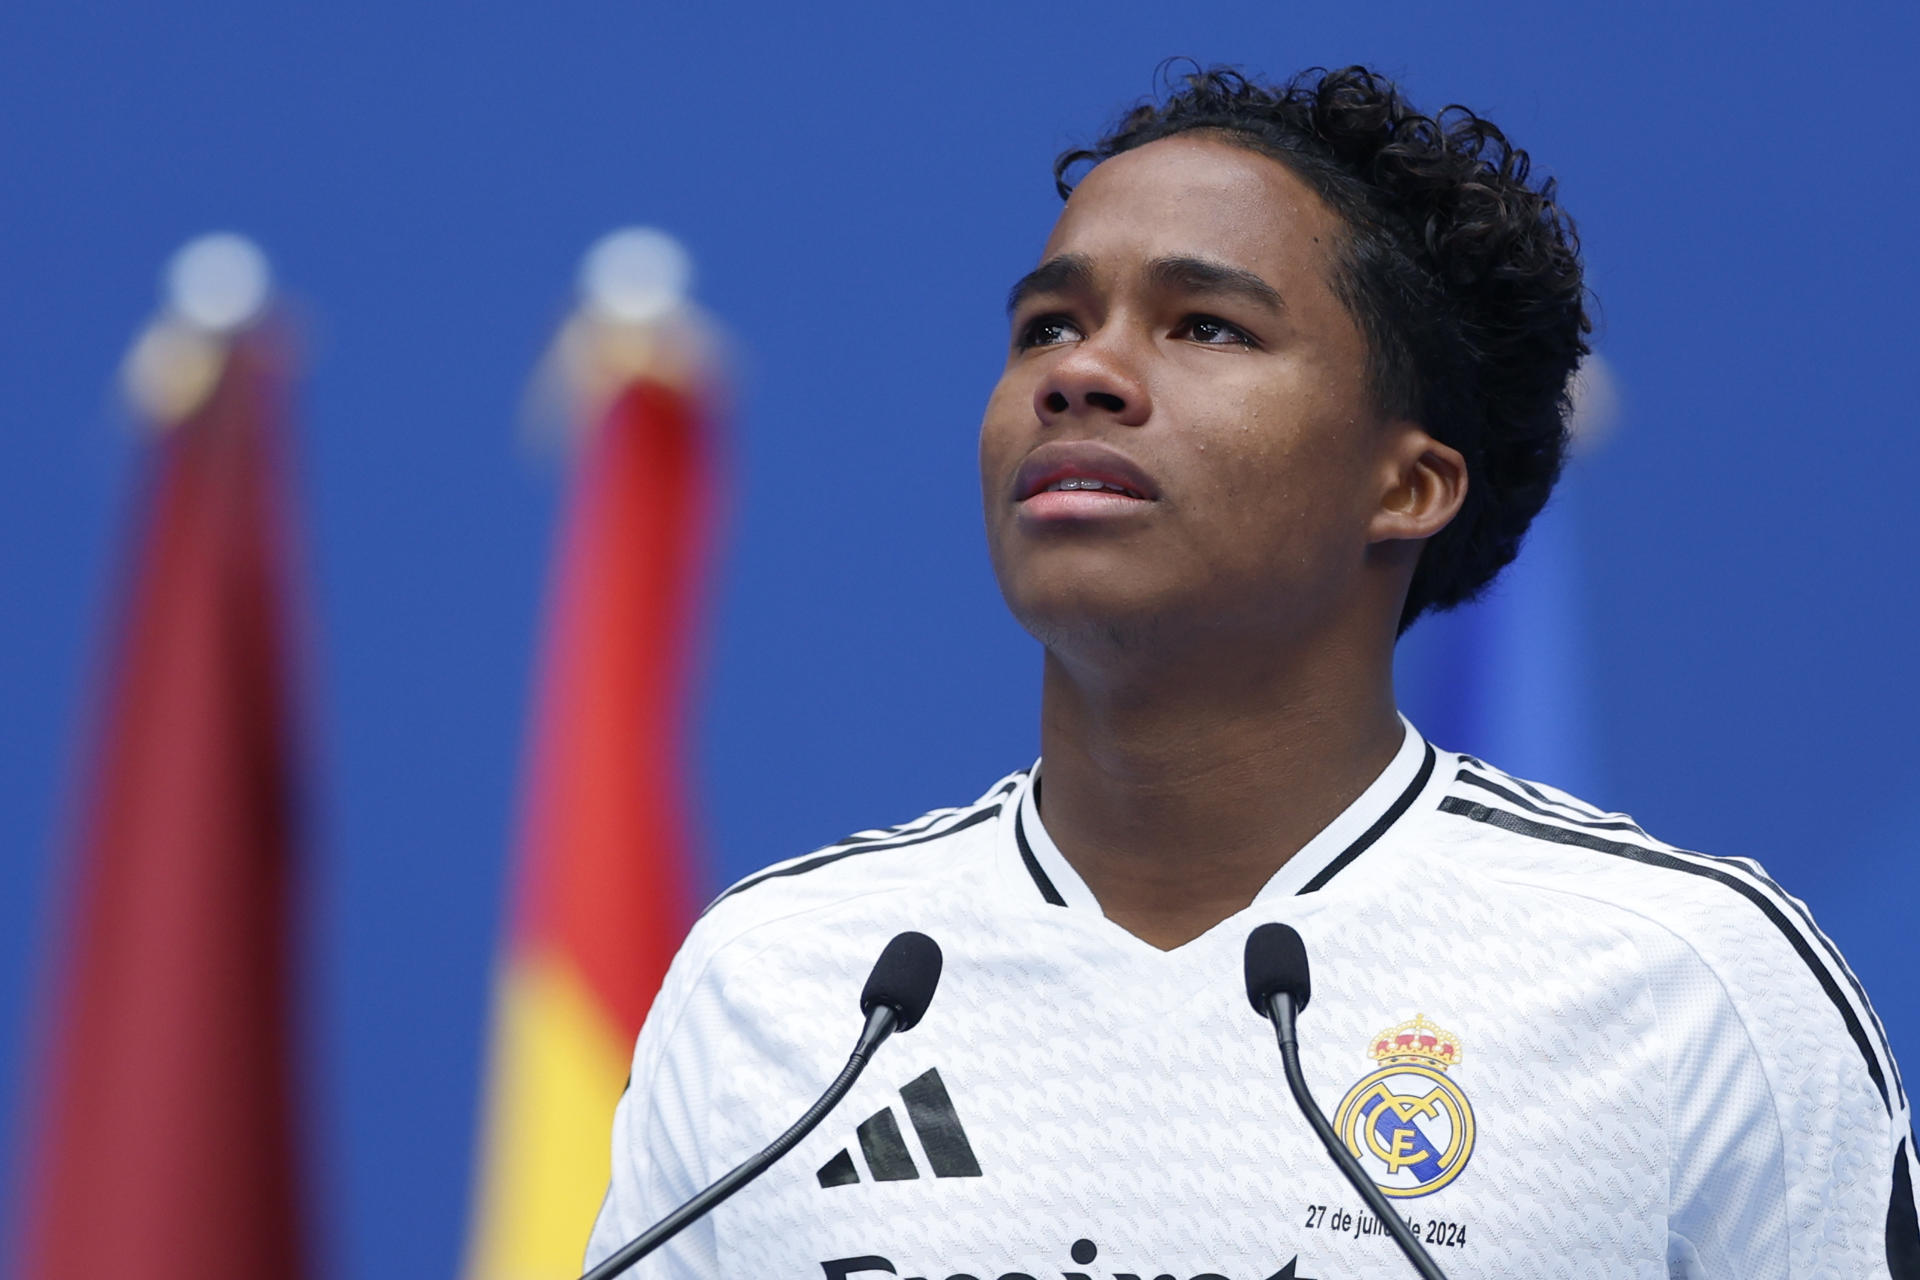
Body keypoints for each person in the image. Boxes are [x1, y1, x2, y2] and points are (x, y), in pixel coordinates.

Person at [585, 64, 1918, 1279]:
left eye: (1206, 327)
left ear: (1407, 484)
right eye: (1048, 326)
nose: (1083, 375)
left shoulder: (1685, 986)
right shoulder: (788, 982)